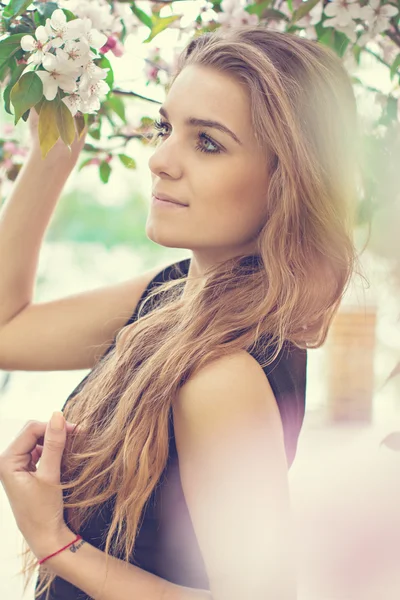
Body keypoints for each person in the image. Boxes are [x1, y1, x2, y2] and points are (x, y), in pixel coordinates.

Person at [0, 24, 363, 600]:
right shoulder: (174, 298)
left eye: (209, 143)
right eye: (165, 128)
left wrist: (54, 543)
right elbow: (5, 331)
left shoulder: (222, 375)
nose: (160, 161)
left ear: (285, 183)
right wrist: (55, 146)